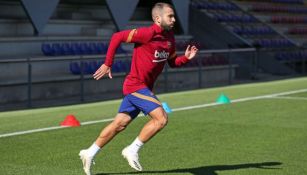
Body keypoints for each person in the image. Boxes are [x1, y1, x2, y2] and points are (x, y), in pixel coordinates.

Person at [79, 2, 198, 175]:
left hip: (143, 89)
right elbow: (117, 37)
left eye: (173, 16)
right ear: (158, 18)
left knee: (119, 125)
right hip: (135, 86)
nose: (173, 19)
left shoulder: (170, 37)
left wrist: (186, 58)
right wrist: (107, 64)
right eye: (170, 16)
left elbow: (172, 63)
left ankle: (89, 152)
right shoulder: (147, 33)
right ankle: (132, 149)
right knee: (161, 118)